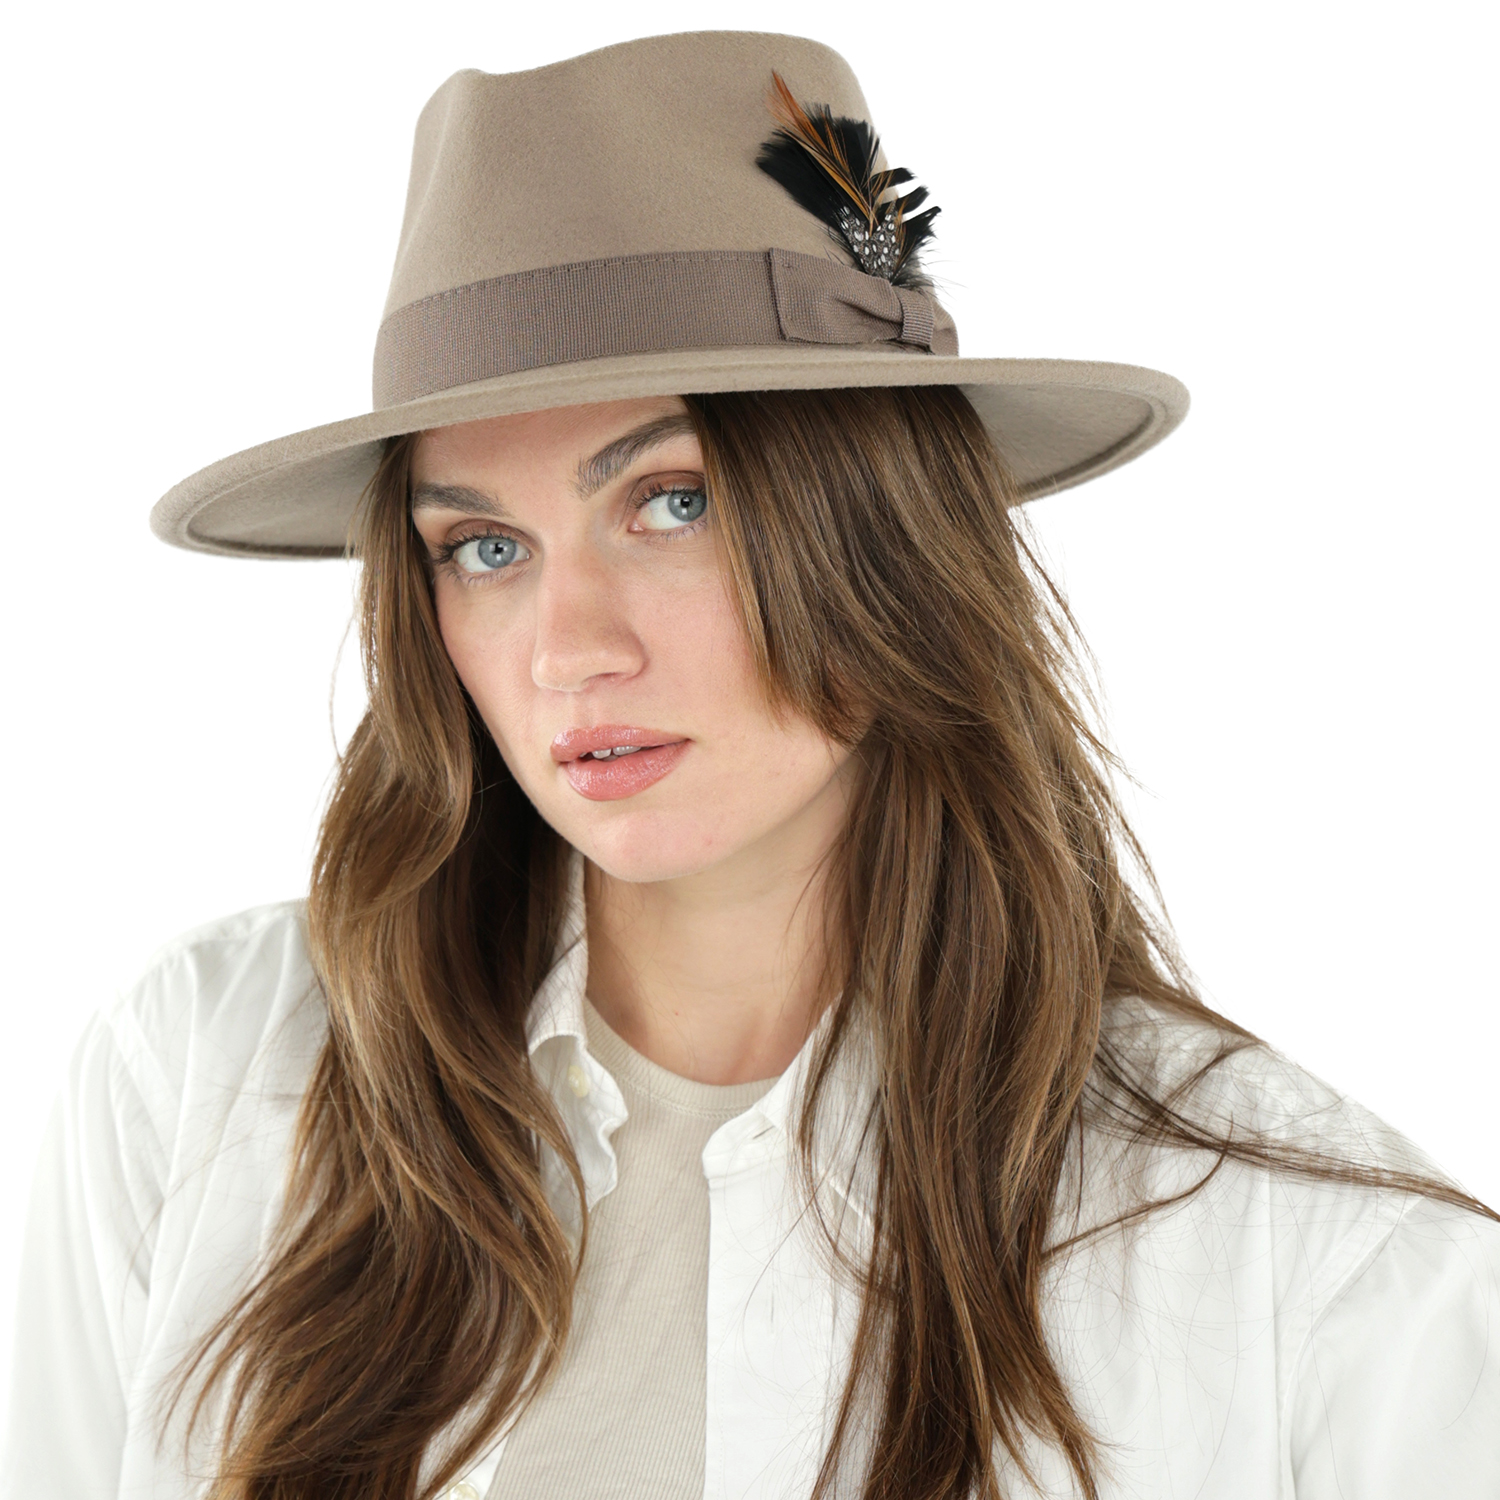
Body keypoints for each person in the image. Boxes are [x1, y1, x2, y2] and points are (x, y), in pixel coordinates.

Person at [3, 29, 1496, 1500]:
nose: (566, 651)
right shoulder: (201, 1081)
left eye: (674, 501)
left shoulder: (1312, 1275)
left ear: (885, 526)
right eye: (485, 546)